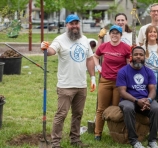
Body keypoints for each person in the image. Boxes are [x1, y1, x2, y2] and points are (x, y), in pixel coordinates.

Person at [40, 14, 96, 148]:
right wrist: (45, 48)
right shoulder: (60, 39)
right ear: (67, 25)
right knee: (61, 115)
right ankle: (55, 143)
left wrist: (93, 77)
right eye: (72, 23)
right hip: (65, 86)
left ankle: (75, 140)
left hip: (81, 85)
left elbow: (89, 59)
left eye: (77, 23)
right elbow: (51, 51)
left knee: (78, 114)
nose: (75, 26)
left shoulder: (84, 40)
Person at [117, 46, 158, 148]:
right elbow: (122, 92)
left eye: (141, 55)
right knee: (128, 108)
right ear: (131, 56)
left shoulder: (149, 71)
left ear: (145, 57)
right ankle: (134, 141)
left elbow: (152, 90)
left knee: (156, 109)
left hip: (145, 99)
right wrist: (136, 101)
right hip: (128, 100)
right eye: (136, 54)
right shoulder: (123, 71)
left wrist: (149, 100)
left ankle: (152, 140)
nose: (138, 57)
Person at [93, 25, 131, 141]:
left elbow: (129, 64)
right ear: (109, 35)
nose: (115, 35)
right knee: (101, 108)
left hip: (119, 83)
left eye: (117, 33)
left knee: (115, 108)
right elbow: (95, 56)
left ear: (121, 35)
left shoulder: (126, 48)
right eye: (112, 33)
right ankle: (97, 133)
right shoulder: (104, 46)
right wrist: (99, 67)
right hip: (105, 81)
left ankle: (113, 132)